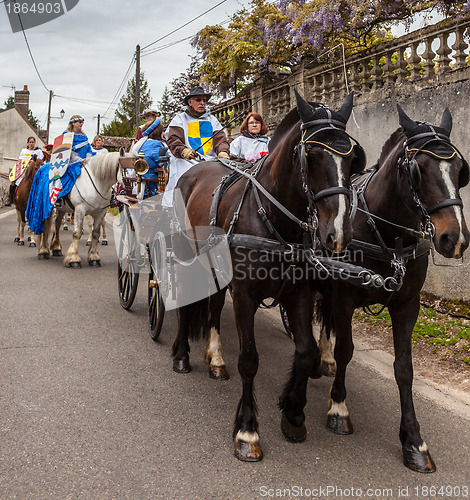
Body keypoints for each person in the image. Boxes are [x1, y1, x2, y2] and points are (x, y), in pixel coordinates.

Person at [162, 86, 230, 206]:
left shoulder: (212, 120)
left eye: (204, 100)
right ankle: (177, 206)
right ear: (190, 102)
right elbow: (173, 140)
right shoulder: (179, 119)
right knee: (181, 170)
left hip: (211, 161)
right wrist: (183, 151)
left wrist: (223, 151)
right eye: (198, 100)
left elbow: (221, 140)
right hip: (187, 160)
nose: (202, 103)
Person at [131, 118, 166, 197]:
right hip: (151, 185)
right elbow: (162, 163)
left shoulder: (143, 143)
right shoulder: (156, 144)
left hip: (142, 181)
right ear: (158, 132)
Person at [7, 136, 44, 205]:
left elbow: (40, 161)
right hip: (24, 170)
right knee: (13, 182)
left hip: (35, 170)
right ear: (27, 143)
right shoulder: (24, 151)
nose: (31, 144)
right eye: (30, 142)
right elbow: (20, 160)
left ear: (35, 143)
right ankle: (11, 198)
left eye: (33, 142)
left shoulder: (39, 151)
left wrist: (33, 162)